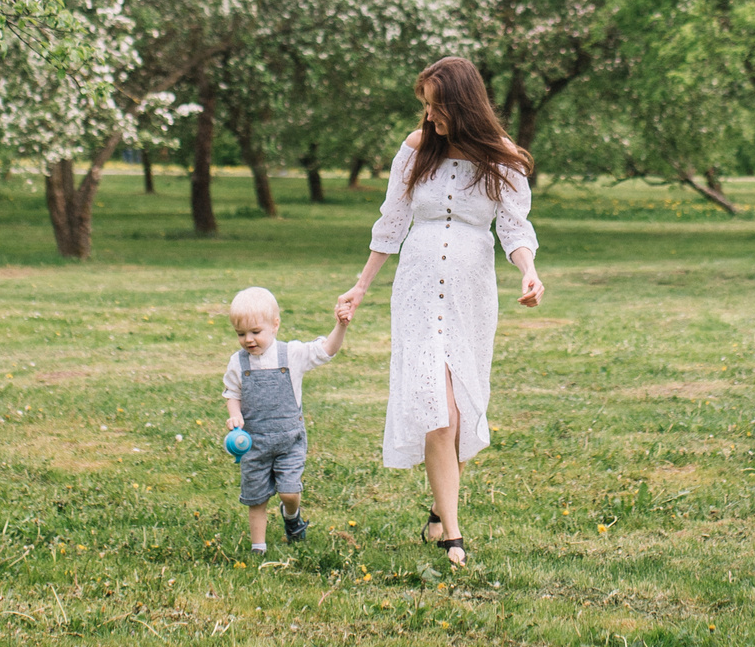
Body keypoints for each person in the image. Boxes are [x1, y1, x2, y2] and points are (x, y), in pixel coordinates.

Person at [334, 56, 544, 569]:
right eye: (425, 107)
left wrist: (528, 271)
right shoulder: (415, 148)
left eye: (436, 106)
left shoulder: (504, 159)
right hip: (419, 287)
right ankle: (452, 535)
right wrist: (361, 287)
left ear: (462, 103)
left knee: (461, 406)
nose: (429, 117)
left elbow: (514, 228)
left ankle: (437, 510)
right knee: (437, 406)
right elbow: (392, 221)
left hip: (472, 292)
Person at [220, 286, 345, 560]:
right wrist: (234, 413)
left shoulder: (292, 354)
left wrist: (340, 325)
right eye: (241, 334)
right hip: (254, 443)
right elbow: (232, 393)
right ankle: (258, 547)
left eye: (255, 332)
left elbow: (327, 350)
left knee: (289, 492)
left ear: (275, 325)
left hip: (289, 440)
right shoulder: (238, 363)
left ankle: (292, 516)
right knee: (256, 498)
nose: (248, 340)